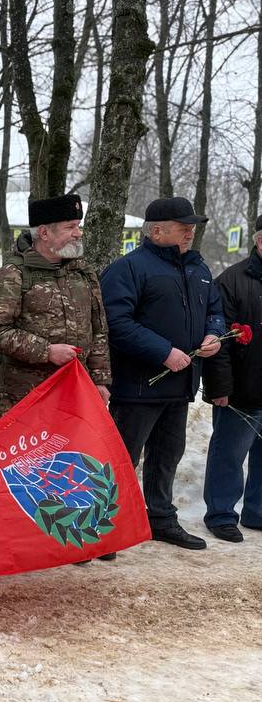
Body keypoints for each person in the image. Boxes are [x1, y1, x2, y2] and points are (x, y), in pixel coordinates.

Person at [101, 196, 224, 550]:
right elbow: (115, 322)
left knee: (167, 456)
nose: (190, 233)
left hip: (180, 384)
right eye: (183, 227)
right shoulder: (128, 269)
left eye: (192, 227)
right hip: (137, 387)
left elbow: (215, 311)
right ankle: (106, 527)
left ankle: (161, 519)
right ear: (156, 231)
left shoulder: (199, 269)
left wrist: (214, 334)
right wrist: (163, 352)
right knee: (123, 458)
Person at [0, 193, 110, 416]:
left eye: (78, 226)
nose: (78, 233)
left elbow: (98, 329)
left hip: (77, 392)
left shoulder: (83, 273)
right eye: (70, 227)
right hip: (27, 397)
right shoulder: (13, 275)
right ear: (44, 233)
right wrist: (46, 351)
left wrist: (100, 380)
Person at [201, 215, 262, 542]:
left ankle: (257, 512)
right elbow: (218, 342)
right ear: (260, 241)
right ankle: (221, 514)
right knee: (229, 454)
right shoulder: (231, 281)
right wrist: (219, 387)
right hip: (241, 389)